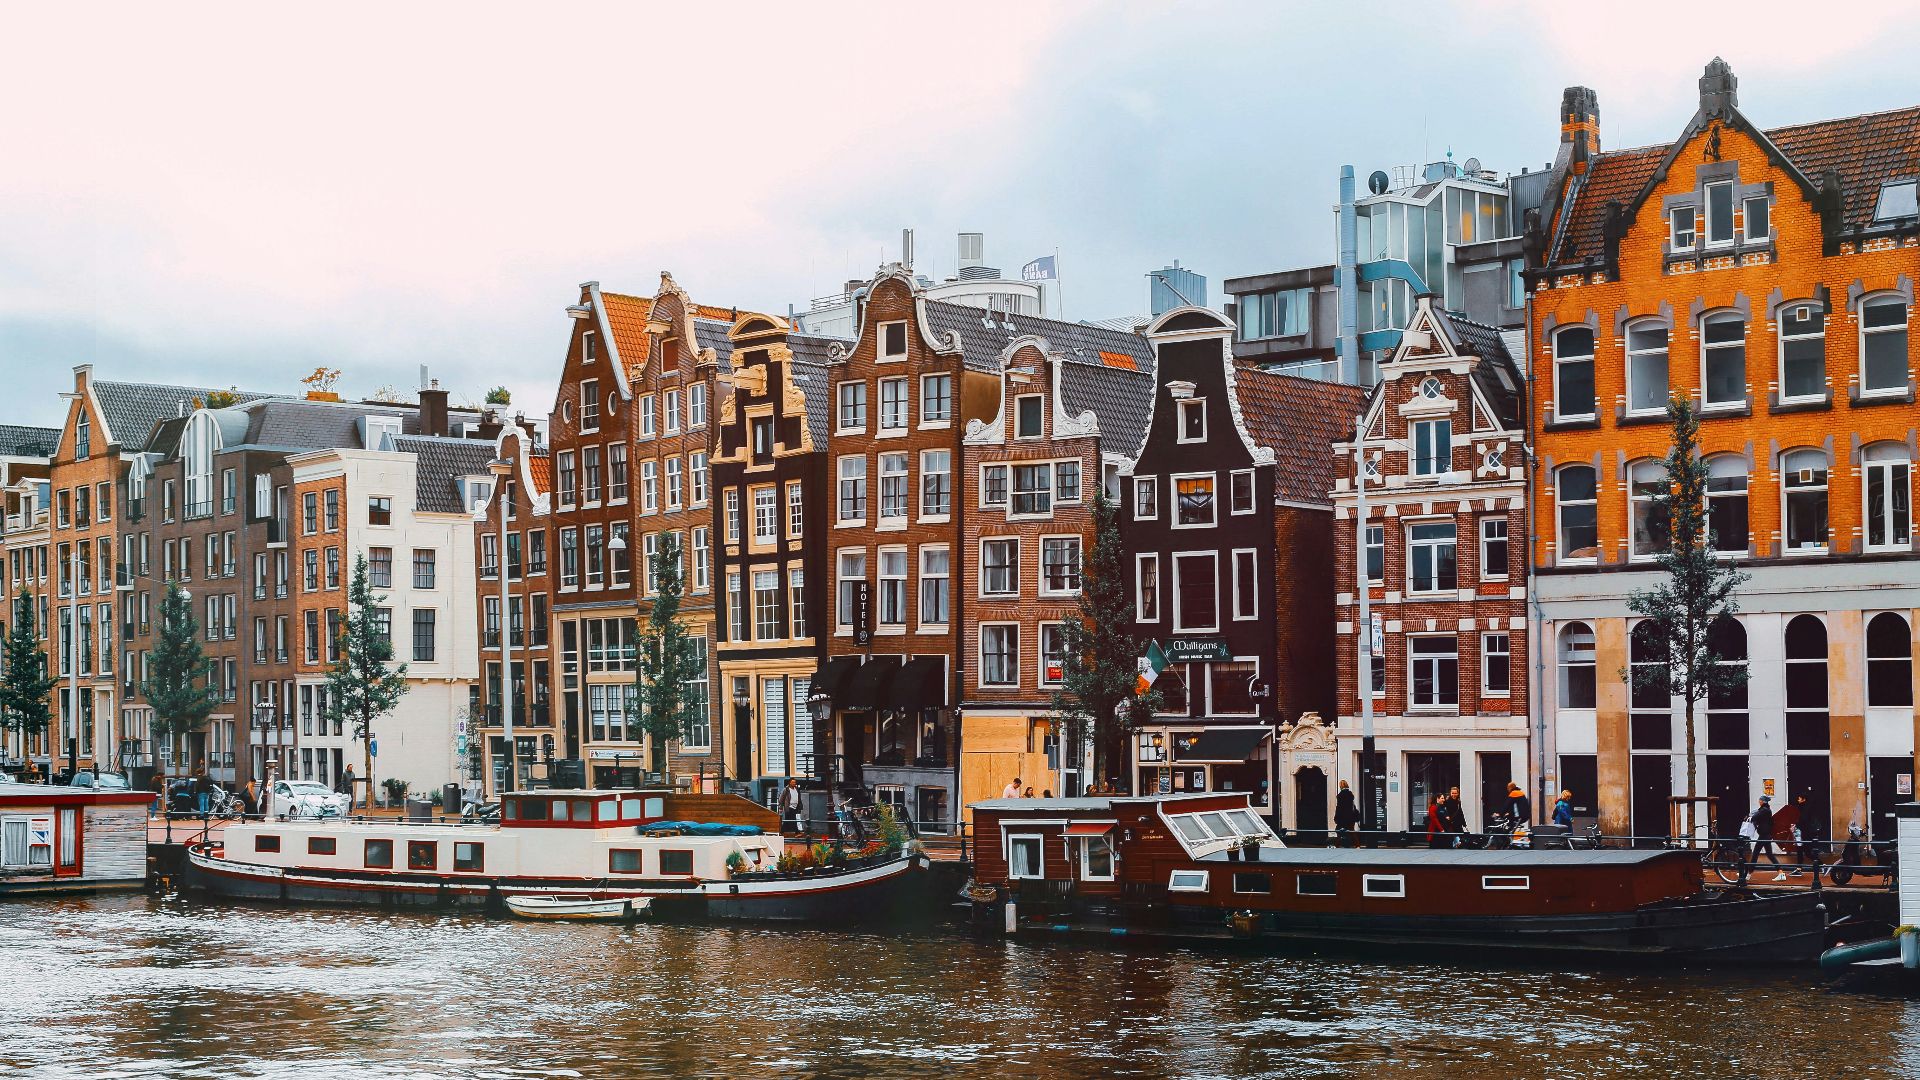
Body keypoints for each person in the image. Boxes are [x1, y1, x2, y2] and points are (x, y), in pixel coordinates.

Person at [1745, 795, 1781, 877]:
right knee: (1769, 854)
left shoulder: (1764, 810)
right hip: (1765, 835)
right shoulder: (1766, 810)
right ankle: (1780, 872)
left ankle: (1748, 873)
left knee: (1755, 853)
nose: (1759, 801)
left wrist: (1751, 816)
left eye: (1760, 800)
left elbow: (1754, 817)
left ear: (1762, 801)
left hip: (1764, 835)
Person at [1770, 794, 1802, 881]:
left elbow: (1802, 820)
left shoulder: (1797, 809)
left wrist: (1795, 825)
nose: (1798, 800)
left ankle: (1822, 865)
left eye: (1799, 798)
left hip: (1799, 832)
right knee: (1801, 850)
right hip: (1798, 831)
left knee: (1805, 851)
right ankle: (1799, 869)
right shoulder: (1798, 809)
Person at [1333, 780, 1360, 846]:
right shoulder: (1350, 795)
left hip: (1342, 817)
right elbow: (1352, 806)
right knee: (1351, 831)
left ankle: (1337, 845)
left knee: (1339, 831)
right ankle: (1357, 845)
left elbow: (1339, 808)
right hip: (1351, 817)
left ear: (1341, 786)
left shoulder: (1340, 796)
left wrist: (1336, 817)